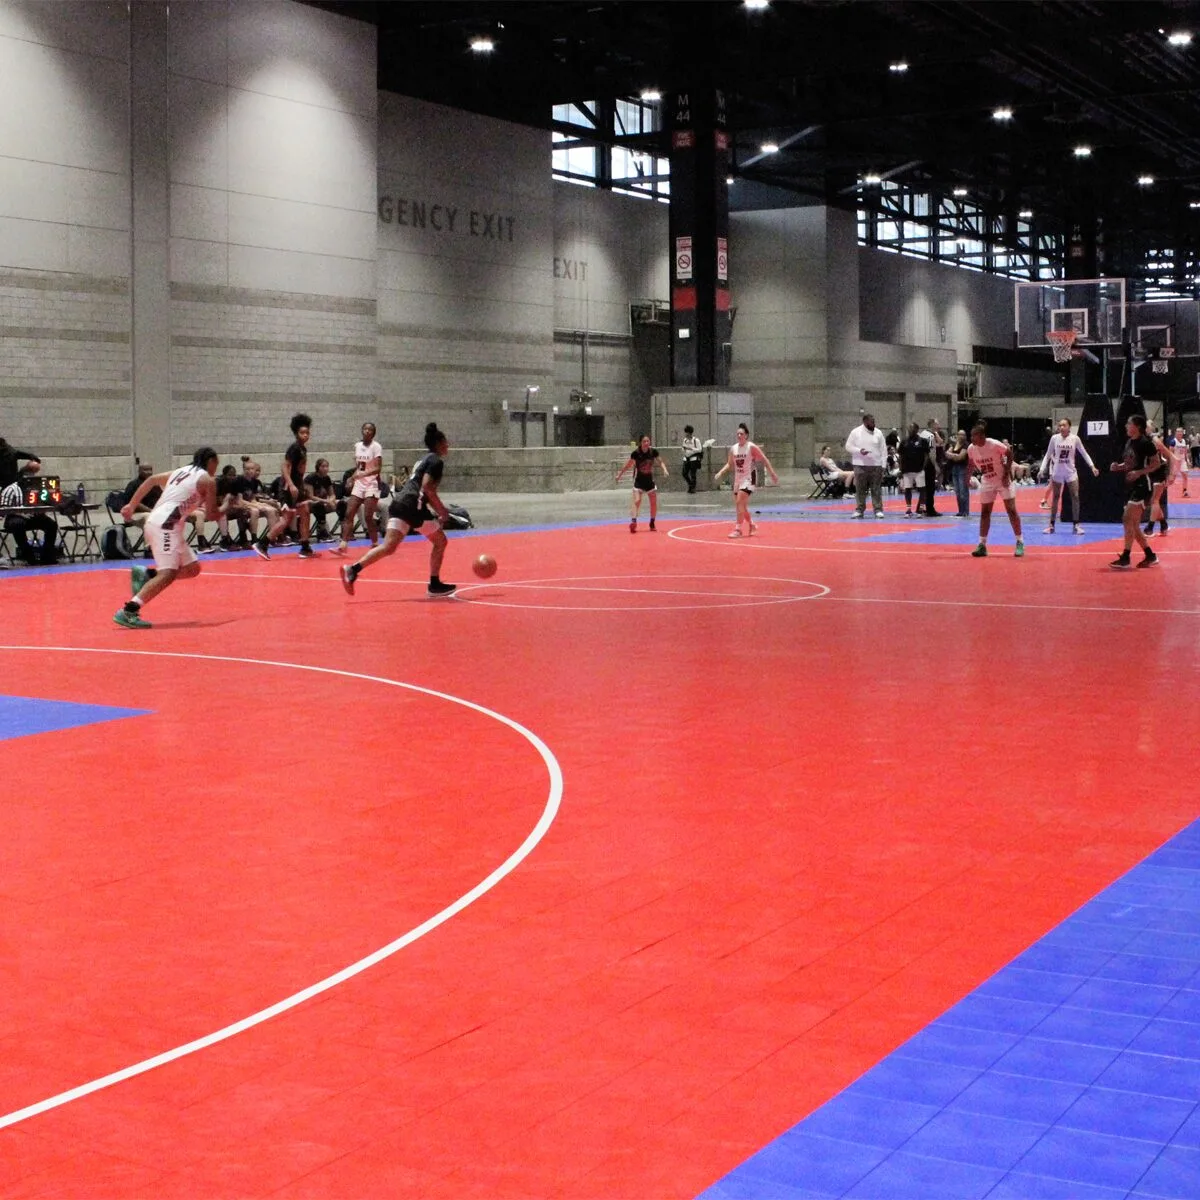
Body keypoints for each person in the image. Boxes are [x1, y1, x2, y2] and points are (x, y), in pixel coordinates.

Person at [339, 422, 457, 597]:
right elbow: (427, 488)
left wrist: (436, 509)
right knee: (440, 541)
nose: (448, 445)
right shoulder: (436, 461)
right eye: (445, 442)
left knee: (388, 546)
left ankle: (353, 570)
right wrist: (442, 511)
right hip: (412, 506)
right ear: (439, 443)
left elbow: (423, 488)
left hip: (399, 503)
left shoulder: (423, 460)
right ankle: (434, 584)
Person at [112, 448, 221, 628]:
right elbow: (211, 514)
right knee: (168, 573)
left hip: (166, 523)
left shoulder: (181, 471)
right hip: (166, 525)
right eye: (216, 463)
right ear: (210, 461)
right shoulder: (207, 480)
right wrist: (226, 507)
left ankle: (149, 575)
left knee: (192, 568)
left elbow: (151, 480)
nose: (216, 468)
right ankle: (128, 611)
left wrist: (131, 505)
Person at [254, 413, 314, 560]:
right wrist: (292, 485)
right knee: (287, 518)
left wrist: (300, 486)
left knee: (305, 511)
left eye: (307, 432)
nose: (305, 435)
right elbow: (284, 467)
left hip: (297, 486)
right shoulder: (294, 448)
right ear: (296, 433)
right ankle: (263, 543)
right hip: (288, 488)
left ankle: (305, 546)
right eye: (302, 433)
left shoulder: (302, 449)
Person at [967, 422, 1024, 558]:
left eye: (974, 436)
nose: (972, 438)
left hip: (1002, 479)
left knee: (1011, 510)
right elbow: (970, 464)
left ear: (982, 436)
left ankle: (1020, 542)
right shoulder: (971, 448)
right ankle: (982, 544)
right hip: (987, 480)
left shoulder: (993, 444)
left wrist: (1006, 474)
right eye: (971, 435)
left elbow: (1009, 454)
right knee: (985, 512)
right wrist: (966, 478)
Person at [1109, 415, 1160, 569]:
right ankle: (1150, 555)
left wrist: (1139, 473)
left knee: (1127, 518)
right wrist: (1119, 467)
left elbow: (1156, 463)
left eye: (1129, 423)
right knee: (1134, 525)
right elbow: (1129, 463)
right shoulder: (1129, 442)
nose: (1126, 426)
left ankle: (1126, 557)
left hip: (1142, 485)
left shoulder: (1146, 443)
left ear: (1137, 426)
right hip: (1131, 486)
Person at [713, 422, 778, 537]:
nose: (739, 436)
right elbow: (729, 464)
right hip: (738, 479)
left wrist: (772, 473)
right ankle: (752, 525)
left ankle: (738, 529)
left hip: (749, 478)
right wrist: (720, 472)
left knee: (739, 502)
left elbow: (764, 459)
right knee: (741, 506)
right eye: (737, 434)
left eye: (741, 434)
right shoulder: (733, 449)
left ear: (746, 435)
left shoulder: (751, 447)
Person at [1038, 418, 1098, 535]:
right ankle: (1051, 525)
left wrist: (1092, 466)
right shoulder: (1054, 438)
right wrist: (1041, 469)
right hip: (1057, 472)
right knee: (1055, 497)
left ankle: (1076, 525)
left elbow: (1084, 453)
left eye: (1064, 425)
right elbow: (1048, 455)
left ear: (1069, 427)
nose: (1061, 427)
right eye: (1060, 425)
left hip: (1070, 472)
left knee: (1075, 496)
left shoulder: (1075, 439)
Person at [334, 421, 384, 554]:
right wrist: (352, 478)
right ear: (362, 431)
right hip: (359, 484)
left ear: (373, 433)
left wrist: (363, 474)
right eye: (365, 429)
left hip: (372, 484)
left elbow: (378, 468)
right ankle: (343, 545)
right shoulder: (357, 446)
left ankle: (375, 543)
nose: (367, 431)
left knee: (368, 516)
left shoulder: (376, 447)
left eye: (370, 429)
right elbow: (360, 467)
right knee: (349, 513)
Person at [1, 462, 59, 565]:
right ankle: (29, 556)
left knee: (51, 524)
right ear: (21, 478)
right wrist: (20, 513)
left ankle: (47, 556)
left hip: (32, 517)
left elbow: (43, 502)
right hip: (14, 518)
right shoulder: (10, 489)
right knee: (18, 524)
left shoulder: (37, 489)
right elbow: (3, 509)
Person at [616, 434, 669, 532]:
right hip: (639, 481)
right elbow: (628, 465)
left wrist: (664, 470)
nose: (646, 443)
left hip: (649, 481)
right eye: (644, 441)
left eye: (648, 441)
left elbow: (660, 462)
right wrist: (619, 475)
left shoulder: (653, 452)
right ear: (640, 443)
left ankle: (652, 522)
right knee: (637, 501)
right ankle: (633, 522)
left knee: (653, 502)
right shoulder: (636, 453)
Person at [844, 413, 887, 519]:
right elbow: (848, 446)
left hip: (876, 465)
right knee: (860, 489)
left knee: (876, 489)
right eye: (872, 422)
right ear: (865, 422)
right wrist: (859, 451)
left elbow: (883, 449)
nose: (874, 423)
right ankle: (859, 510)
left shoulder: (878, 433)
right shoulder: (855, 432)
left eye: (874, 421)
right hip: (860, 465)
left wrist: (883, 465)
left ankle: (878, 510)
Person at [1143, 424, 1173, 538]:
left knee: (1154, 500)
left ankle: (1150, 528)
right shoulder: (1145, 439)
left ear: (1150, 429)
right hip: (1152, 472)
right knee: (1154, 501)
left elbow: (1168, 455)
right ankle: (1163, 524)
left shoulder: (1155, 439)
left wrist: (1170, 474)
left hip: (1159, 471)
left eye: (1146, 426)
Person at [305, 458, 342, 541]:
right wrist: (326, 501)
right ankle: (322, 534)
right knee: (319, 505)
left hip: (325, 502)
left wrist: (331, 500)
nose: (325, 469)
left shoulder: (327, 478)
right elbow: (311, 496)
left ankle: (345, 532)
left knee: (342, 504)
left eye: (327, 466)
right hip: (310, 503)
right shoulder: (310, 478)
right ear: (318, 467)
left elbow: (332, 494)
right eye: (323, 466)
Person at [898, 423, 930, 517]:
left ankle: (920, 510)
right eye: (909, 428)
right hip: (907, 470)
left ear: (916, 429)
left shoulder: (923, 441)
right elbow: (900, 455)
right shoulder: (904, 441)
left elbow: (926, 455)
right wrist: (900, 468)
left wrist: (923, 467)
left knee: (922, 489)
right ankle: (908, 510)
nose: (910, 430)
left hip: (919, 470)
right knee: (907, 489)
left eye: (912, 428)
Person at [944, 429, 971, 517]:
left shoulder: (966, 445)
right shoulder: (954, 444)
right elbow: (946, 454)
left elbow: (960, 457)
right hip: (954, 469)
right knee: (957, 492)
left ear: (965, 436)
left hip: (963, 469)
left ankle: (965, 511)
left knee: (963, 491)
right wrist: (955, 456)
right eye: (959, 434)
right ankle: (960, 511)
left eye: (963, 435)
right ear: (957, 435)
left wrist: (952, 455)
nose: (961, 436)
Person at [681, 425, 703, 493]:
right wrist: (684, 449)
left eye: (687, 433)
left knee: (693, 474)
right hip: (686, 459)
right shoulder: (685, 440)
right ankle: (691, 485)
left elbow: (700, 449)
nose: (686, 434)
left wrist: (691, 448)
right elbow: (683, 448)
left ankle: (692, 488)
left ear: (690, 433)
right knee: (684, 473)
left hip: (694, 459)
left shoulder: (696, 440)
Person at [1173, 426, 1190, 498]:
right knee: (1172, 479)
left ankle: (1184, 491)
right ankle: (1163, 490)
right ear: (1176, 433)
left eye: (1180, 431)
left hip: (1182, 461)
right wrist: (1174, 459)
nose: (1179, 433)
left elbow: (1185, 451)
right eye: (1178, 431)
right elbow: (1170, 452)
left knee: (1185, 476)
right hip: (1175, 462)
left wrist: (1187, 459)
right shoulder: (1173, 441)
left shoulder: (1184, 441)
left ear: (1182, 433)